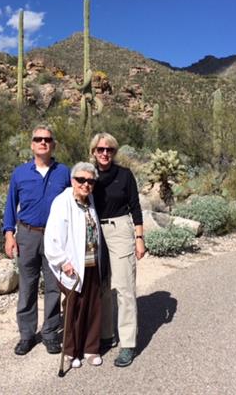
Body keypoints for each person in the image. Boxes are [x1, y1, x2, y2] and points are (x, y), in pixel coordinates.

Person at [3, 125, 71, 356]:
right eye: (38, 139)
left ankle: (51, 334)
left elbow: (74, 204)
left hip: (55, 237)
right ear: (32, 144)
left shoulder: (64, 172)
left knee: (53, 286)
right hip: (27, 235)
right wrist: (9, 234)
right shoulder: (20, 173)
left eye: (47, 139)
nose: (43, 142)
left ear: (53, 145)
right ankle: (27, 335)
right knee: (27, 286)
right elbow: (10, 205)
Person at [90, 132, 146, 367]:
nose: (105, 153)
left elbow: (135, 205)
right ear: (93, 151)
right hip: (94, 232)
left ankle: (128, 344)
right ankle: (105, 336)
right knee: (102, 287)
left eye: (109, 150)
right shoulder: (88, 176)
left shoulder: (124, 175)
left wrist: (139, 237)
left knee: (123, 288)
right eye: (100, 149)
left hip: (120, 229)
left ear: (114, 152)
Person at [44, 162, 104, 368]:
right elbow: (52, 237)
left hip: (92, 262)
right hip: (73, 265)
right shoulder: (62, 202)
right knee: (73, 308)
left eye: (90, 181)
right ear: (72, 180)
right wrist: (63, 262)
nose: (85, 184)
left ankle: (90, 348)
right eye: (81, 180)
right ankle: (71, 351)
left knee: (93, 306)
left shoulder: (91, 201)